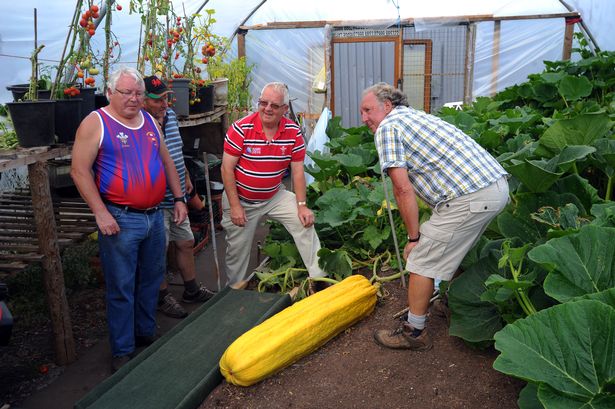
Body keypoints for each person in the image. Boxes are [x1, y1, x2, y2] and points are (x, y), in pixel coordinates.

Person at [360, 82, 509, 351]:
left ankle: (414, 332)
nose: (364, 118)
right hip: (494, 187)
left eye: (368, 110)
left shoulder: (388, 127)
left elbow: (402, 188)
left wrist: (414, 237)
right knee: (452, 249)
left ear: (387, 106)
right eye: (361, 112)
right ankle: (454, 304)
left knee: (421, 260)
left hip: (470, 197)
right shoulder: (415, 116)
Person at [71, 67, 188, 372]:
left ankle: (145, 332)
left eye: (138, 93)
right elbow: (79, 171)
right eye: (127, 93)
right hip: (121, 219)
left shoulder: (149, 120)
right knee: (121, 285)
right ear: (110, 93)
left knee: (151, 278)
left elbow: (166, 160)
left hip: (154, 216)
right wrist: (100, 212)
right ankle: (122, 349)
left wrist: (179, 199)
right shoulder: (95, 123)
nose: (134, 99)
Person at [221, 82, 327, 291]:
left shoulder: (292, 132)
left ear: (284, 109)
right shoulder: (241, 128)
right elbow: (226, 169)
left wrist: (302, 205)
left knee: (303, 221)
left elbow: (297, 171)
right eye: (263, 103)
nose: (267, 108)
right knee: (237, 252)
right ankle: (234, 294)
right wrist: (235, 206)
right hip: (241, 198)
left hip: (273, 196)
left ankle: (320, 279)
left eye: (274, 105)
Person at [142, 75, 215, 319]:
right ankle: (161, 296)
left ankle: (191, 290)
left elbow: (175, 157)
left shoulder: (171, 117)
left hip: (177, 198)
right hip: (153, 202)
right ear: (142, 101)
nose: (164, 104)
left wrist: (189, 194)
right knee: (158, 252)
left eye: (166, 98)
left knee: (185, 241)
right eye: (157, 100)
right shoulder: (138, 123)